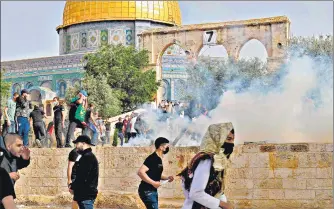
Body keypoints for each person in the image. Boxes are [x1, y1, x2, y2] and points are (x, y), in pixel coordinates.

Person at [178, 123, 235, 209]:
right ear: (217, 139)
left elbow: (218, 191)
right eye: (228, 139)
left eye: (233, 139)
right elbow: (196, 193)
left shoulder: (217, 160)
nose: (232, 143)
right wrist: (223, 204)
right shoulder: (206, 160)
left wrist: (223, 203)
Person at [137, 137, 174, 209]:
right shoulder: (153, 158)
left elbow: (156, 174)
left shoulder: (159, 158)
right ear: (160, 147)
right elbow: (140, 172)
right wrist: (153, 183)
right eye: (166, 145)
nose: (167, 147)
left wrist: (167, 178)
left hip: (152, 191)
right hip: (147, 191)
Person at [69, 135, 99, 209]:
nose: (76, 146)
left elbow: (82, 176)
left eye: (77, 143)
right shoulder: (85, 156)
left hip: (86, 195)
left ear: (83, 143)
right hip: (83, 194)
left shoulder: (88, 157)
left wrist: (72, 187)